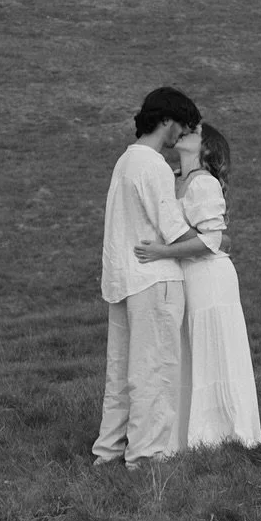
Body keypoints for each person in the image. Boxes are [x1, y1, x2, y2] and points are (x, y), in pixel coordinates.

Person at [134, 119, 261, 451]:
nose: (184, 131)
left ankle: (224, 434)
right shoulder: (173, 178)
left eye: (194, 131)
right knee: (189, 351)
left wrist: (163, 251)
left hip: (210, 277)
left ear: (205, 147)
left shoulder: (203, 183)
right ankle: (188, 437)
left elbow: (213, 241)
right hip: (185, 276)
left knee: (213, 348)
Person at [92, 86, 202, 469]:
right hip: (154, 280)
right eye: (181, 126)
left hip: (122, 277)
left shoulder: (125, 162)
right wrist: (210, 239)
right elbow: (172, 229)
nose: (180, 136)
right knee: (154, 369)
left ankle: (108, 452)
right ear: (166, 120)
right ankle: (145, 454)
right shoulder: (152, 165)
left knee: (120, 373)